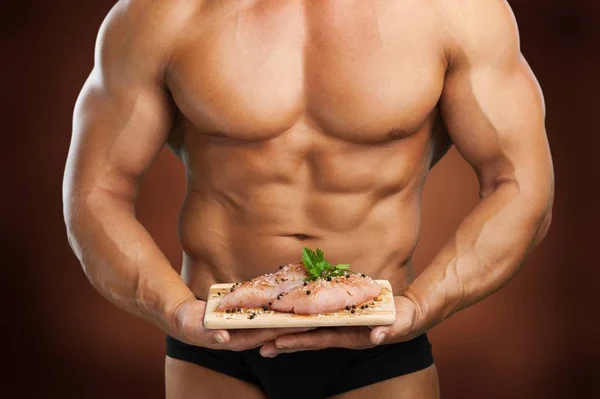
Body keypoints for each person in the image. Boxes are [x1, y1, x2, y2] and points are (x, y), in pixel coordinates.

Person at [63, 0, 554, 398]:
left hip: (379, 346)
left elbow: (521, 185)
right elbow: (96, 194)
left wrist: (421, 307)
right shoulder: (160, 13)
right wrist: (174, 311)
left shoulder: (457, 12)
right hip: (217, 348)